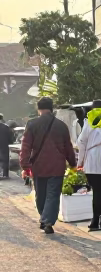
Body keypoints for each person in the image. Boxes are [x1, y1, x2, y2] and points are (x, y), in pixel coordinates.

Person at [20, 97, 76, 235]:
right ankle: (47, 221)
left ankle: (44, 218)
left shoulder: (32, 124)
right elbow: (68, 147)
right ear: (52, 108)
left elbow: (25, 146)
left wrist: (25, 165)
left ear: (38, 109)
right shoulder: (61, 125)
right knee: (53, 195)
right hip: (57, 166)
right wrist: (73, 163)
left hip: (38, 165)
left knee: (41, 194)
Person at [76, 100, 101, 231]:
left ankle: (95, 220)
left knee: (97, 191)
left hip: (92, 160)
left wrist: (80, 161)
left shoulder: (90, 123)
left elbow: (81, 142)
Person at [0, 115, 14, 179]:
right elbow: (11, 138)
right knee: (5, 160)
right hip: (4, 146)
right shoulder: (6, 127)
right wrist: (10, 142)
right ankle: (5, 174)